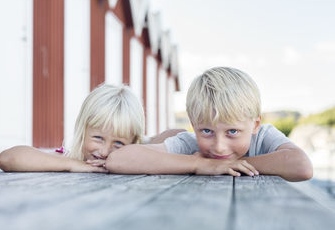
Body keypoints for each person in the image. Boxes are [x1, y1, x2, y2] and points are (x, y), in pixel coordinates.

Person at [104, 67, 313, 182]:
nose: (219, 146)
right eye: (206, 131)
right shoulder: (189, 144)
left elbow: (301, 167)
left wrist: (227, 167)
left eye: (232, 131)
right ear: (193, 124)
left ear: (255, 124)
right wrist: (200, 164)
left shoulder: (262, 137)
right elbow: (119, 159)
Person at [0, 83, 172, 173]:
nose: (104, 151)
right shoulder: (70, 156)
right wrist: (73, 164)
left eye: (118, 143)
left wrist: (144, 144)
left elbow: (179, 136)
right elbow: (8, 158)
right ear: (83, 128)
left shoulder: (137, 151)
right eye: (98, 138)